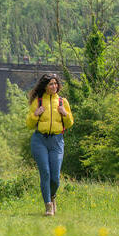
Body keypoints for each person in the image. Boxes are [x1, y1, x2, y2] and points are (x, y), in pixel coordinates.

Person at [26, 73, 73, 216]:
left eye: (55, 83)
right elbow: (29, 124)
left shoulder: (62, 102)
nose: (54, 86)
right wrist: (36, 114)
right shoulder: (38, 101)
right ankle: (48, 206)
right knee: (45, 173)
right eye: (51, 84)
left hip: (57, 141)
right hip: (40, 140)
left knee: (55, 177)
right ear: (45, 86)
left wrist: (65, 114)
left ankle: (52, 197)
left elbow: (70, 123)